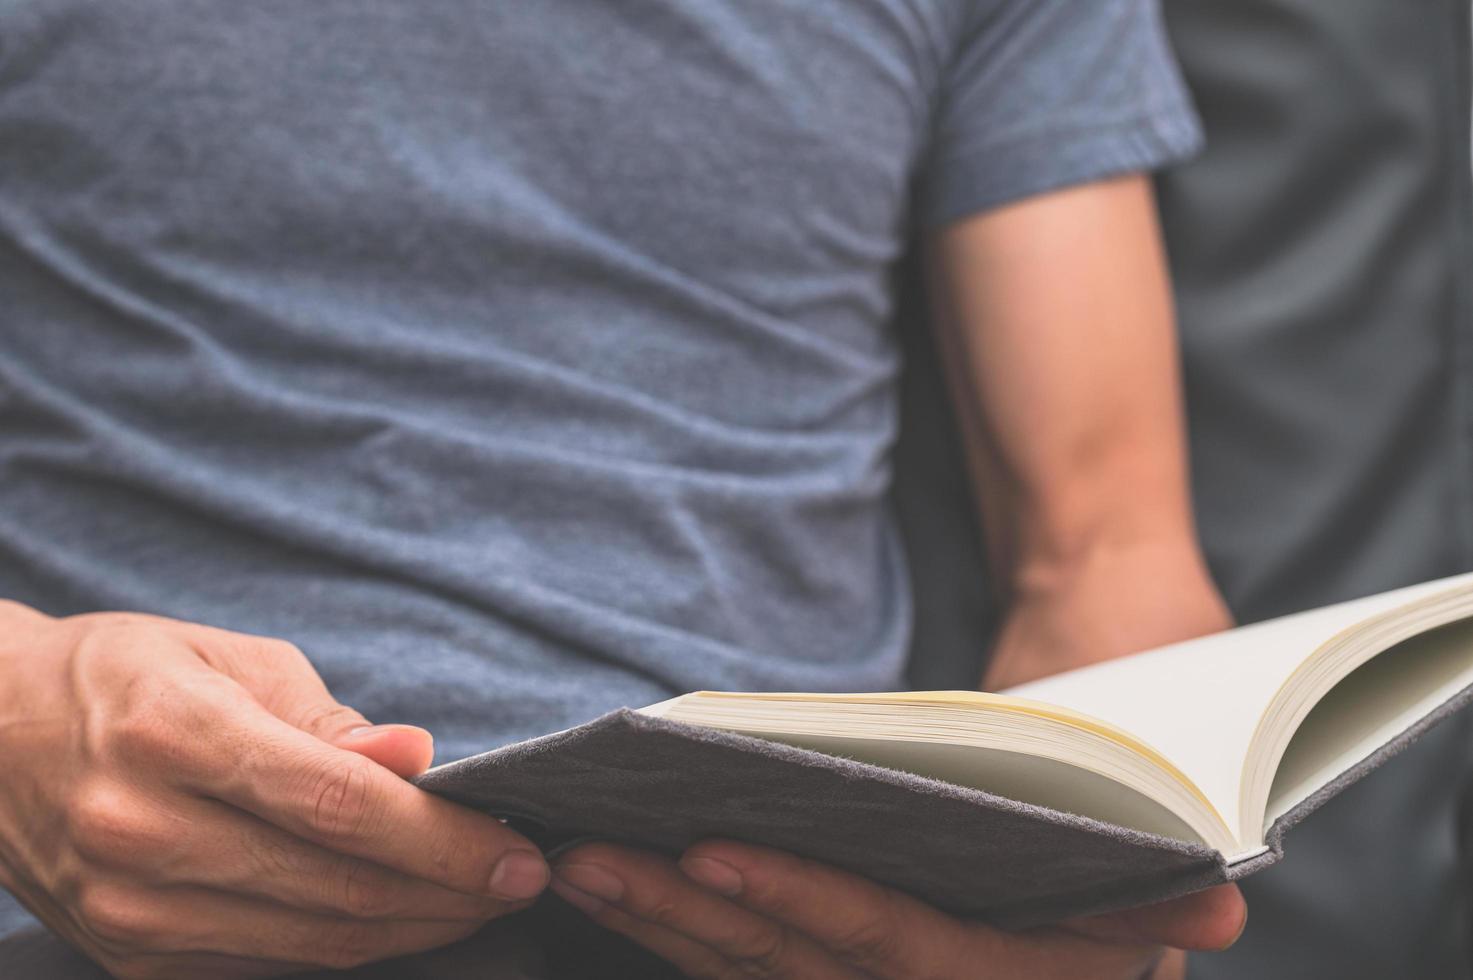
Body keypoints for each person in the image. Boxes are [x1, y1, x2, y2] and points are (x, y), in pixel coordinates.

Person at [0, 1, 1243, 976]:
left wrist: (1090, 910)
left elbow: (1108, 554)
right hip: (120, 910)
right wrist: (20, 721)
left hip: (776, 904)